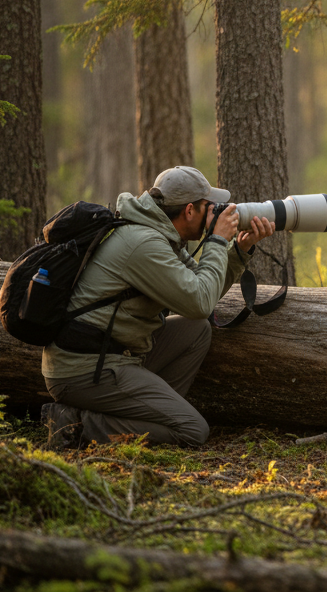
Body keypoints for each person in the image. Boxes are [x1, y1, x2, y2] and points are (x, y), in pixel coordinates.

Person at [40, 166, 273, 449]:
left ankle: (152, 416)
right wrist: (216, 240)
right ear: (189, 211)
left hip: (113, 353)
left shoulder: (159, 236)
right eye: (208, 206)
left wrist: (237, 252)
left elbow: (202, 292)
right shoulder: (144, 244)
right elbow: (199, 302)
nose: (215, 212)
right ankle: (74, 425)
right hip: (85, 369)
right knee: (192, 430)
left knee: (195, 330)